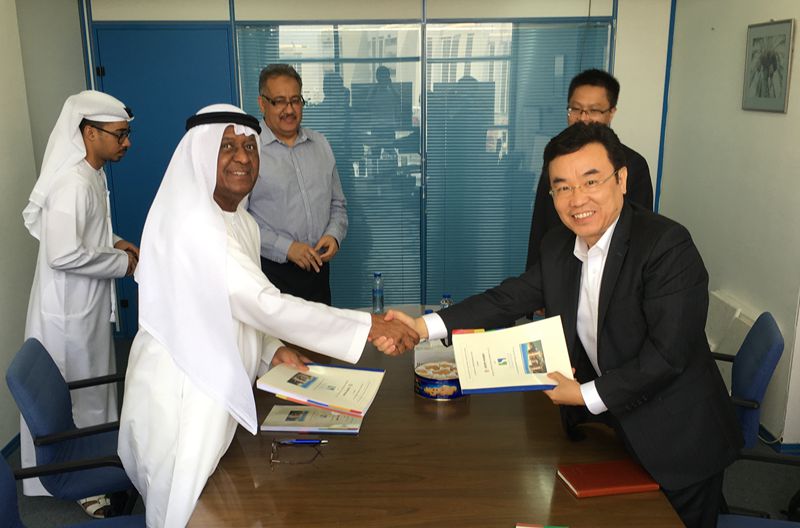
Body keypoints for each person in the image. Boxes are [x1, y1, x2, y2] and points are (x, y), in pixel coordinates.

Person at [383, 123, 742, 528]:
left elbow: (667, 357)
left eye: (591, 181)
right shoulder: (558, 245)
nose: (578, 199)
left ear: (621, 180)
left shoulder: (665, 246)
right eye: (563, 187)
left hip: (681, 439)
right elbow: (510, 298)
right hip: (615, 434)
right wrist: (422, 327)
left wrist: (583, 395)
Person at [117, 104, 418, 527]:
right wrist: (369, 325)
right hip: (184, 393)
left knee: (220, 501)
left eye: (249, 147)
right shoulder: (194, 224)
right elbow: (263, 302)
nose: (242, 157)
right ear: (200, 155)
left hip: (216, 384)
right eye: (226, 147)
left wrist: (272, 350)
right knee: (186, 510)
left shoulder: (239, 221)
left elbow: (238, 308)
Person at [21, 90, 137, 514]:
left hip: (85, 305)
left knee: (95, 387)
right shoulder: (71, 182)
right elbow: (64, 254)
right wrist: (122, 263)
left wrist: (117, 242)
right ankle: (85, 485)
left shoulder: (93, 174)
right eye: (119, 135)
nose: (126, 143)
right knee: (76, 396)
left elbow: (90, 232)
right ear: (90, 133)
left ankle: (101, 466)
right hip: (66, 313)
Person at [526, 68, 653, 270]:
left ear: (611, 113)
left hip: (612, 270)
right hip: (558, 267)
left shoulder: (633, 164)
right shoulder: (555, 158)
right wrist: (536, 274)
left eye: (594, 110)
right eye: (576, 109)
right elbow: (541, 223)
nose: (583, 118)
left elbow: (639, 232)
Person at [248, 63, 345, 305]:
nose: (289, 110)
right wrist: (287, 248)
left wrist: (333, 236)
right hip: (272, 274)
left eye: (295, 100)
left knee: (322, 330)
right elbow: (240, 222)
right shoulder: (250, 151)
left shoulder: (320, 144)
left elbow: (338, 204)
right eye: (279, 101)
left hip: (318, 272)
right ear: (262, 104)